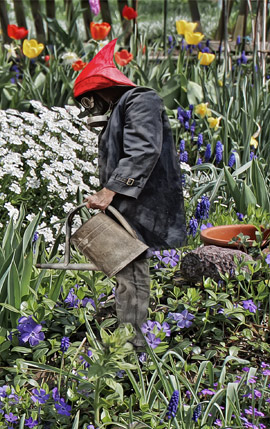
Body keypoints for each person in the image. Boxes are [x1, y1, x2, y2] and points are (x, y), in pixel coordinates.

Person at [73, 40, 186, 349]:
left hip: (143, 203)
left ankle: (134, 348)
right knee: (125, 272)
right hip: (132, 203)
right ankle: (129, 337)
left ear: (99, 90)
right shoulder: (125, 109)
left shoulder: (140, 100)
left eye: (87, 101)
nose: (89, 109)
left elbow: (144, 149)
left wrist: (110, 191)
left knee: (132, 271)